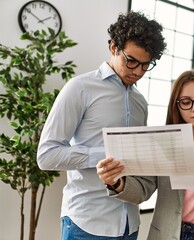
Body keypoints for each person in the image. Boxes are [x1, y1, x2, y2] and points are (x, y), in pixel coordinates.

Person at [37, 11, 166, 240]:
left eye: (146, 65)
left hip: (130, 225)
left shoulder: (141, 103)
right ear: (114, 47)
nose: (138, 72)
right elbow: (47, 155)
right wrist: (105, 155)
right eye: (132, 61)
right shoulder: (79, 88)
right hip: (86, 224)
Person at [97, 69, 194, 240]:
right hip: (166, 233)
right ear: (177, 106)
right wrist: (115, 182)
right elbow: (143, 190)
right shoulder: (163, 142)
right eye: (186, 102)